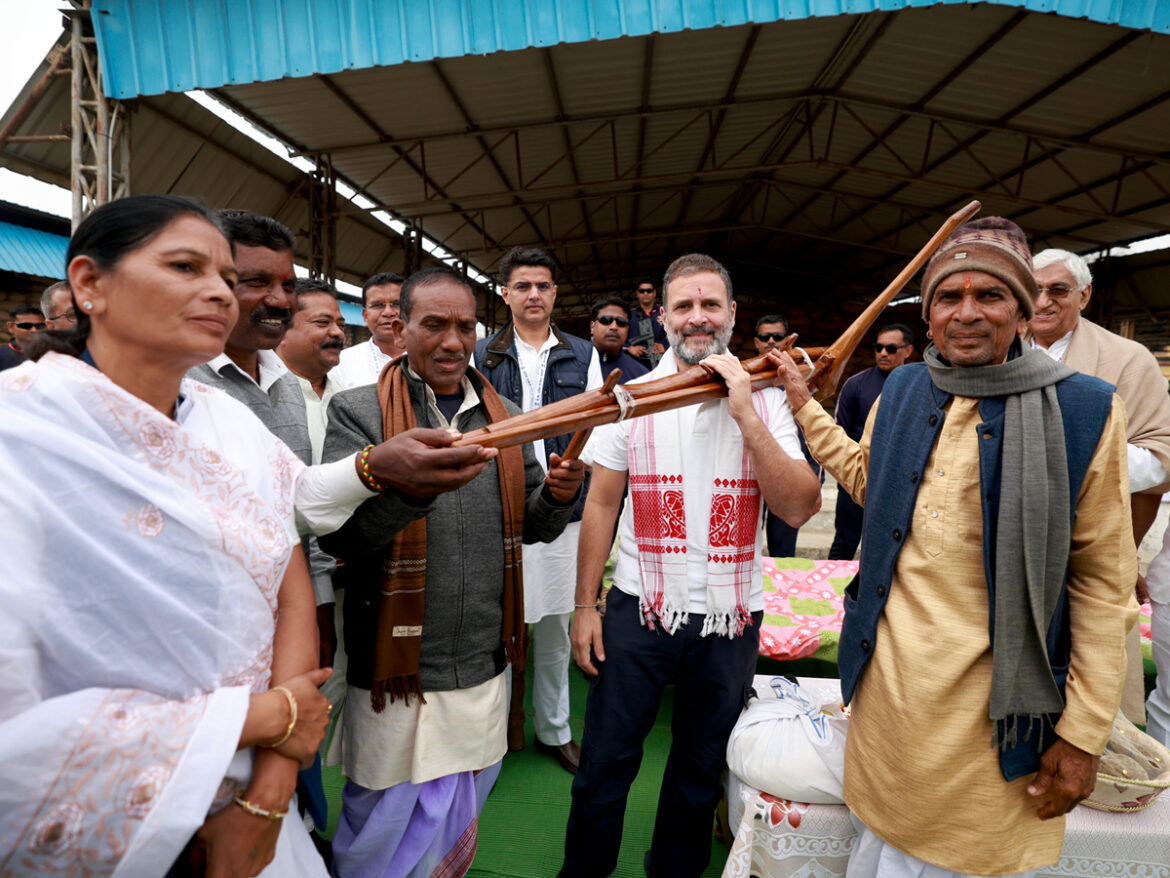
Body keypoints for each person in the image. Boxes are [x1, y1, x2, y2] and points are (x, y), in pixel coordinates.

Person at [773, 217, 1136, 877]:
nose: (967, 312)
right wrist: (803, 405)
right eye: (949, 297)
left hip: (991, 719)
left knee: (963, 860)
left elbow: (1103, 586)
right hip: (887, 700)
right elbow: (867, 478)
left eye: (990, 296)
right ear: (930, 313)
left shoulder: (1084, 412)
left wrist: (1082, 738)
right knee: (876, 847)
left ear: (1022, 311)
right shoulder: (907, 388)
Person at [0, 194, 333, 877]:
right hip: (119, 819)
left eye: (221, 274)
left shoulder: (232, 426)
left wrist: (269, 795)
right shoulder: (21, 434)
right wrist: (265, 716)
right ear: (90, 284)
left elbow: (289, 589)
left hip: (254, 807)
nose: (217, 291)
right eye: (185, 266)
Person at [320, 267, 585, 878]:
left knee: (457, 810)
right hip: (395, 669)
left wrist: (561, 495)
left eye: (465, 326)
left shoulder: (507, 417)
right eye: (433, 324)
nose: (451, 341)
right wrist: (410, 491)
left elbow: (536, 525)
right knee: (381, 819)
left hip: (481, 656)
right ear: (400, 327)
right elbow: (343, 537)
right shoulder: (359, 413)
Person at [562, 253, 821, 878]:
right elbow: (601, 501)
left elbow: (800, 503)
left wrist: (744, 410)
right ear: (663, 316)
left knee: (701, 764)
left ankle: (674, 871)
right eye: (684, 306)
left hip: (730, 616)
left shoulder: (767, 400)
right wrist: (584, 605)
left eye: (711, 305)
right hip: (638, 605)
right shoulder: (633, 397)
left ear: (733, 314)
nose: (697, 318)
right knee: (606, 760)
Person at [475, 246, 602, 773]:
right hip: (497, 503)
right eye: (522, 286)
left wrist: (573, 475)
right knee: (495, 629)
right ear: (504, 293)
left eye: (543, 286)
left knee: (552, 625)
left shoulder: (580, 351)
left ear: (555, 294)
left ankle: (554, 729)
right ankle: (490, 737)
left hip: (560, 502)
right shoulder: (482, 352)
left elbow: (596, 418)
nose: (533, 295)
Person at [1030, 248, 1170, 725]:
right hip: (999, 550)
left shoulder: (1127, 358)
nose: (1043, 301)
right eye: (1033, 289)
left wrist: (1060, 451)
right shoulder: (995, 350)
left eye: (1058, 290)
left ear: (1085, 296)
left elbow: (1159, 461)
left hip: (1088, 554)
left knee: (1093, 698)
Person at [826, 323, 914, 560]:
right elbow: (839, 433)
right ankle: (831, 595)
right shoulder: (856, 384)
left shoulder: (919, 388)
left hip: (899, 480)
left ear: (908, 351)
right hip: (857, 475)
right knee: (844, 541)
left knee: (887, 548)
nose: (883, 353)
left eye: (891, 348)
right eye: (879, 347)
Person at [753, 313, 824, 557]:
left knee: (782, 552)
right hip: (750, 480)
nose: (771, 341)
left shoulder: (801, 383)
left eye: (778, 336)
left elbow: (814, 436)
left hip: (789, 478)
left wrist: (816, 481)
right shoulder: (743, 381)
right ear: (756, 342)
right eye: (765, 336)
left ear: (788, 341)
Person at [334, 272, 405, 388]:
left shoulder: (429, 361)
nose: (388, 312)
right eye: (378, 305)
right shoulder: (341, 364)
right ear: (365, 316)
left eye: (397, 304)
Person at [589, 296, 649, 381]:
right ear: (592, 326)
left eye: (622, 322)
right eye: (606, 320)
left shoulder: (642, 376)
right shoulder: (571, 363)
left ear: (627, 329)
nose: (614, 327)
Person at [626, 280, 666, 368]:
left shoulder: (664, 312)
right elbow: (620, 338)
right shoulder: (629, 315)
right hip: (638, 364)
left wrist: (666, 347)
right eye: (642, 291)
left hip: (663, 362)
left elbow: (677, 333)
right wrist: (629, 348)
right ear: (637, 294)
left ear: (654, 293)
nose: (645, 293)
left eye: (649, 291)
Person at [0, 305, 44, 371]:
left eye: (39, 326)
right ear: (11, 327)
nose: (34, 330)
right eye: (26, 326)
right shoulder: (2, 354)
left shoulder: (53, 355)